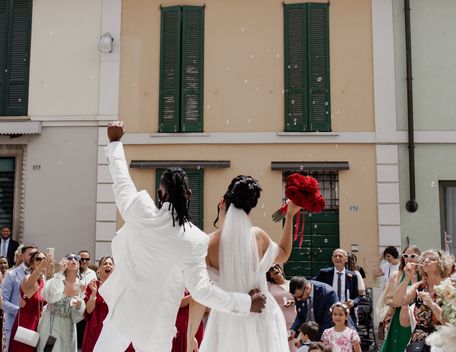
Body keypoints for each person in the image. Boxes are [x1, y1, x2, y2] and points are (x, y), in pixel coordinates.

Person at [94, 121, 266, 352]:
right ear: (190, 194)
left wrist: (115, 143)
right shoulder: (194, 239)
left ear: (159, 193)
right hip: (157, 326)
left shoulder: (139, 212)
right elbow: (202, 291)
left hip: (122, 314)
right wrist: (246, 303)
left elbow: (121, 180)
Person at [188, 175, 301, 351]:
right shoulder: (258, 236)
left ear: (222, 202)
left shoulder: (208, 244)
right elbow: (284, 254)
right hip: (263, 318)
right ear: (249, 209)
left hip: (227, 319)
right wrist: (290, 215)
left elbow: (199, 297)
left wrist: (190, 336)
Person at [400, 249, 454, 348]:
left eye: (432, 258)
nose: (426, 260)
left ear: (442, 264)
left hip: (441, 342)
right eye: (424, 259)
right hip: (418, 343)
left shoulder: (449, 288)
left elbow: (450, 321)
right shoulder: (419, 287)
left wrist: (432, 304)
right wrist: (407, 277)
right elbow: (398, 302)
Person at [81, 257, 133, 352]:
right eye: (105, 263)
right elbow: (88, 311)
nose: (108, 265)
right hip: (95, 328)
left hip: (113, 328)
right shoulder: (93, 285)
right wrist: (93, 294)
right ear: (99, 269)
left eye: (110, 264)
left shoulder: (120, 287)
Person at [37, 253, 85, 352]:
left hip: (69, 328)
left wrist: (79, 306)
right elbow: (49, 297)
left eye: (76, 258)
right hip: (51, 325)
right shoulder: (57, 280)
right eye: (70, 258)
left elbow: (78, 316)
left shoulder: (82, 286)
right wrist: (59, 273)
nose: (74, 260)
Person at [378, 245, 421, 352]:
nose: (409, 258)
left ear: (419, 257)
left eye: (412, 256)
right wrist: (398, 302)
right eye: (406, 255)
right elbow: (387, 299)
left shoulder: (424, 275)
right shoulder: (396, 275)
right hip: (400, 316)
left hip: (419, 317)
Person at [9, 249, 49, 352]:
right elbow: (31, 285)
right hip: (26, 324)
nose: (42, 261)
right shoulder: (27, 278)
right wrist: (41, 268)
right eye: (38, 259)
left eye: (44, 259)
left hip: (39, 324)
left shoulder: (43, 280)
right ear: (31, 263)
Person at [314, 248, 361, 325]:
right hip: (328, 313)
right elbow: (313, 284)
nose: (337, 258)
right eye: (335, 256)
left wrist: (353, 302)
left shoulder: (352, 276)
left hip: (345, 314)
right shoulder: (324, 273)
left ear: (346, 259)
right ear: (332, 259)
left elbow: (357, 297)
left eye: (340, 256)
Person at [2, 244, 37, 343]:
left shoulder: (41, 276)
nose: (33, 257)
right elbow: (2, 302)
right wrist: (21, 312)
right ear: (22, 256)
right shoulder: (11, 274)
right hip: (15, 324)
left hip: (35, 325)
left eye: (35, 255)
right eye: (30, 254)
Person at [267, 264, 297, 352]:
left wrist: (294, 302)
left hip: (292, 320)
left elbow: (301, 298)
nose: (274, 269)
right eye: (271, 269)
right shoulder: (269, 285)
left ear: (281, 269)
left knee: (293, 346)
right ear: (269, 275)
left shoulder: (292, 283)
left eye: (276, 267)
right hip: (276, 320)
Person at [76, 250, 97, 350]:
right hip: (74, 306)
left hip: (87, 307)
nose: (84, 261)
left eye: (87, 259)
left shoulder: (92, 273)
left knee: (83, 334)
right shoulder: (73, 271)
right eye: (82, 259)